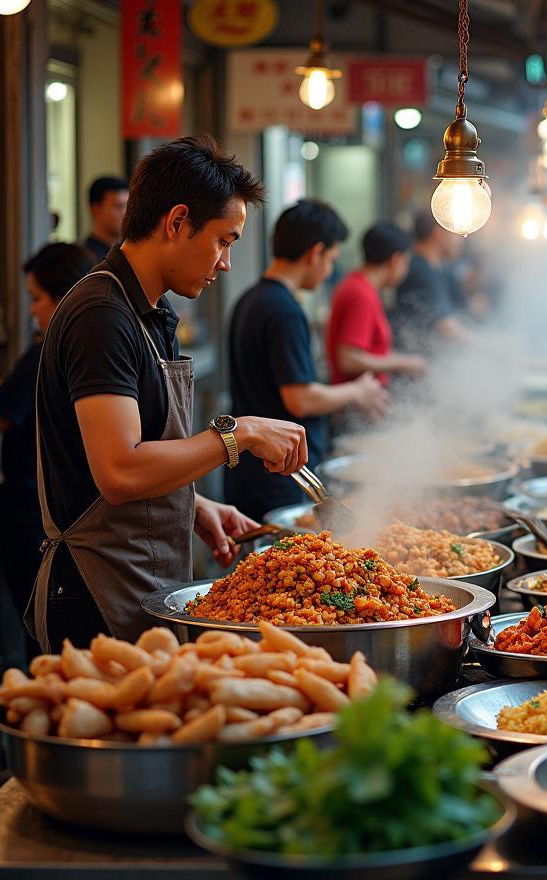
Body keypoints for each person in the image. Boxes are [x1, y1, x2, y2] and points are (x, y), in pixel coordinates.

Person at [33, 134, 309, 651]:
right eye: (224, 240)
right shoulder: (102, 315)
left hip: (144, 582)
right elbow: (119, 471)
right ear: (177, 221)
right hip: (95, 594)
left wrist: (193, 503)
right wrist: (240, 433)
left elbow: (138, 448)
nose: (225, 262)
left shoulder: (150, 311)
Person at [226, 200, 388, 522]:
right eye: (331, 260)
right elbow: (299, 398)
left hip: (253, 472)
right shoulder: (284, 310)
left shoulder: (250, 298)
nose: (329, 270)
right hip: (279, 477)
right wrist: (357, 392)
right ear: (315, 253)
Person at [0, 244, 94, 668]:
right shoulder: (79, 348)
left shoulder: (45, 350)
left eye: (36, 298)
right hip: (56, 514)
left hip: (31, 516)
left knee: (40, 643)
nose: (32, 310)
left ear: (63, 295)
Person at [326, 221, 428, 387]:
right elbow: (348, 359)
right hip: (355, 405)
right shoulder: (360, 294)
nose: (406, 270)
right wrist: (404, 363)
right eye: (406, 262)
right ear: (395, 260)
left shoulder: (358, 285)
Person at [391, 211, 472, 356]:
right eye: (456, 234)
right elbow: (445, 326)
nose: (461, 240)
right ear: (438, 232)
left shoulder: (440, 268)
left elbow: (458, 313)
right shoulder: (418, 268)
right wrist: (490, 347)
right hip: (415, 363)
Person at [82, 175, 129, 263]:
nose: (125, 213)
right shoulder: (85, 259)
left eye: (128, 206)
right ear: (96, 209)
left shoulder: (131, 253)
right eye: (118, 206)